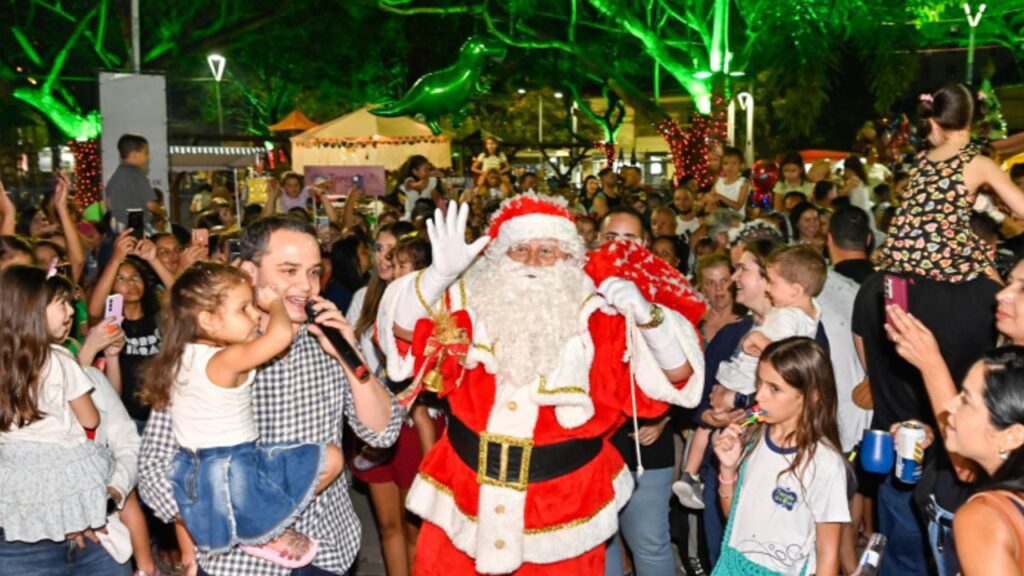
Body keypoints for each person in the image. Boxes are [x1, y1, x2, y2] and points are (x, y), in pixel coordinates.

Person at [377, 197, 704, 574]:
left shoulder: (599, 318)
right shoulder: (469, 305)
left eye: (547, 250)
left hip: (563, 510)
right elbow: (401, 336)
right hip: (464, 498)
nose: (532, 260)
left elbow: (678, 376)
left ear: (569, 258)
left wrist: (649, 316)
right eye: (519, 248)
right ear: (499, 257)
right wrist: (437, 276)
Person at [139, 216, 403, 576]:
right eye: (289, 271)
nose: (306, 286)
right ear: (249, 272)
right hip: (236, 563)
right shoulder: (207, 355)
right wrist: (217, 522)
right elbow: (155, 466)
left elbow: (382, 433)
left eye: (313, 272)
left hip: (324, 550)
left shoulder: (328, 342)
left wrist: (350, 354)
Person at [859, 83, 1024, 576]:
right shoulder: (977, 161)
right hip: (952, 283)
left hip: (901, 283)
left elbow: (934, 226)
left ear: (931, 122)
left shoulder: (921, 163)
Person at [138, 262, 345, 571]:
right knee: (332, 459)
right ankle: (258, 528)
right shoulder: (223, 359)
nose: (254, 315)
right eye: (243, 309)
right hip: (233, 472)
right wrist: (274, 303)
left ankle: (246, 522)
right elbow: (280, 337)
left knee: (325, 459)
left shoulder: (183, 356)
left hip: (204, 473)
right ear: (208, 321)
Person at [677, 245, 826, 510]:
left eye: (742, 270)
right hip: (722, 464)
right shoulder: (732, 333)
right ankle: (691, 476)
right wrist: (708, 415)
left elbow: (807, 395)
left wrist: (738, 399)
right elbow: (698, 396)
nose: (733, 278)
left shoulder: (804, 329)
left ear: (767, 279)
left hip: (776, 462)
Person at [598, 208, 689, 576]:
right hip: (594, 446)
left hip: (645, 443)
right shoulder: (578, 293)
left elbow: (689, 375)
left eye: (630, 239)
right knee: (599, 544)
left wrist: (664, 419)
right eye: (611, 238)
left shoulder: (667, 294)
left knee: (649, 542)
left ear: (646, 244)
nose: (619, 247)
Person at [712, 337, 849, 575]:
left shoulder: (824, 463)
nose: (759, 396)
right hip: (735, 566)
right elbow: (732, 517)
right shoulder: (753, 438)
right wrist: (728, 469)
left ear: (812, 395)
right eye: (760, 382)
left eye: (775, 388)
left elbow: (828, 552)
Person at [0, 267, 113, 546]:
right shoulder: (60, 359)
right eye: (62, 303)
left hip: (13, 467)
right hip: (61, 467)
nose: (71, 311)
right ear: (33, 310)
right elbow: (90, 420)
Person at [817, 206, 874, 572]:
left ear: (828, 240)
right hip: (872, 417)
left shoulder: (822, 290)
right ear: (868, 240)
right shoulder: (885, 285)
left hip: (836, 416)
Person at [105, 134, 161, 233]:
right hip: (136, 222)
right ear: (134, 155)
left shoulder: (114, 177)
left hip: (116, 224)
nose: (147, 158)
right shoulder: (138, 176)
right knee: (155, 240)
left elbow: (108, 204)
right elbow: (150, 205)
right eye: (146, 153)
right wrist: (161, 211)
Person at [694, 254, 741, 343]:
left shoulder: (748, 319)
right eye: (710, 283)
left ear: (734, 282)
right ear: (702, 288)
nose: (718, 288)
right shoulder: (694, 323)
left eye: (724, 280)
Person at [709, 147, 750, 217]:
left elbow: (738, 206)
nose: (730, 167)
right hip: (718, 217)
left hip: (736, 219)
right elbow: (710, 197)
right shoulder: (719, 181)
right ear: (722, 165)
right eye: (726, 163)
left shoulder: (743, 183)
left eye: (734, 163)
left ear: (741, 165)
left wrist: (721, 197)